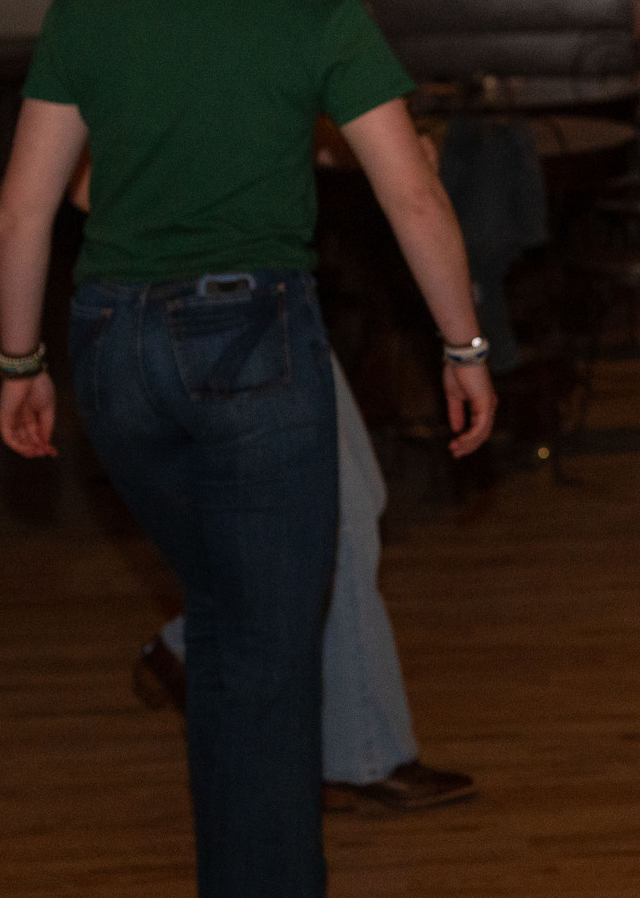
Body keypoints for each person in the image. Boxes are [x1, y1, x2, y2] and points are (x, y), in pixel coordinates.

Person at [0, 0, 498, 898]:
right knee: (265, 664)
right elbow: (414, 196)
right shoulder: (315, 8)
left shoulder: (87, 10)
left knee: (229, 639)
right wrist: (463, 343)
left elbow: (25, 211)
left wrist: (18, 363)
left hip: (114, 350)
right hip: (252, 344)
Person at [129, 349, 476, 814]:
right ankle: (362, 758)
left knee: (354, 499)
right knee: (336, 522)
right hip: (244, 323)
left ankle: (189, 647)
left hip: (268, 318)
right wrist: (465, 347)